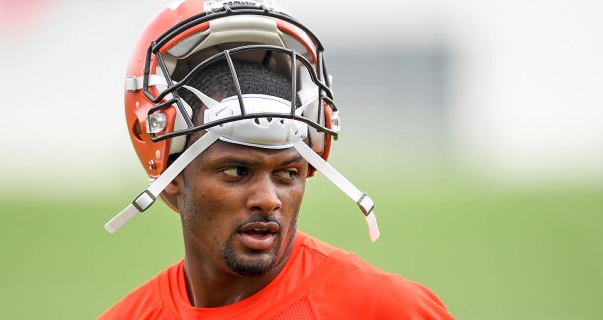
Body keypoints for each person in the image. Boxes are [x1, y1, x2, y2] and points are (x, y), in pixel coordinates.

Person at [99, 0, 455, 319]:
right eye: (237, 171)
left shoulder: (388, 310)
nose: (268, 199)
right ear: (171, 177)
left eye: (287, 173)